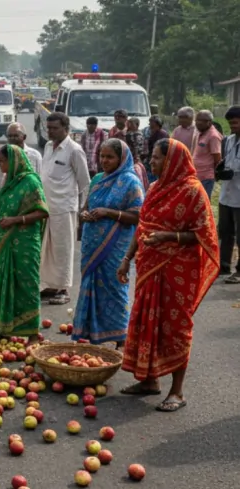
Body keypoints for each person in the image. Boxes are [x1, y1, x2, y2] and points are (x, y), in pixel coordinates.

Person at [118, 138, 219, 412]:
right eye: (152, 156)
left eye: (157, 157)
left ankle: (177, 391)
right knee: (146, 320)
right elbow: (142, 226)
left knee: (175, 326)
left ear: (172, 160)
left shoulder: (193, 191)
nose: (151, 161)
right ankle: (149, 380)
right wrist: (126, 259)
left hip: (179, 269)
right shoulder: (154, 187)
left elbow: (204, 235)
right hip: (149, 266)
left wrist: (168, 237)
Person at [72, 139, 144, 348]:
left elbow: (139, 215)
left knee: (114, 288)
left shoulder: (130, 181)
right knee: (92, 286)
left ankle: (121, 338)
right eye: (102, 156)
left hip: (115, 246)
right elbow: (86, 206)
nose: (104, 161)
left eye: (110, 157)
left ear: (121, 158)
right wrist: (84, 215)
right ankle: (93, 334)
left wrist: (108, 213)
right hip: (92, 245)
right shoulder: (97, 179)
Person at [0, 145, 49, 343]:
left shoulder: (31, 181)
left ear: (14, 161)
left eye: (3, 161)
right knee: (6, 281)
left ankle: (32, 333)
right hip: (7, 240)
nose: (0, 165)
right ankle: (4, 327)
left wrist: (15, 221)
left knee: (27, 283)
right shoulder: (10, 181)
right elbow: (9, 207)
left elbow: (42, 211)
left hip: (25, 242)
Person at [40, 112, 91, 305]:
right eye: (49, 128)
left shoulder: (74, 150)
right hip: (46, 207)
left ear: (66, 128)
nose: (50, 131)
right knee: (48, 249)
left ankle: (64, 289)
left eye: (55, 128)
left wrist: (83, 209)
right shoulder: (48, 146)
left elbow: (85, 183)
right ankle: (52, 285)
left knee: (63, 249)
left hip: (64, 208)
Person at [218, 106, 240, 283]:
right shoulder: (228, 140)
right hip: (226, 194)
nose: (232, 126)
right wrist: (220, 170)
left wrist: (233, 172)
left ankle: (239, 271)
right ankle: (223, 265)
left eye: (235, 123)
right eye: (230, 123)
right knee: (225, 232)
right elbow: (226, 161)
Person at [0, 122, 42, 187]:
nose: (12, 138)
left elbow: (38, 179)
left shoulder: (35, 155)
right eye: (10, 136)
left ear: (24, 137)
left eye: (16, 136)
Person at [191, 109, 223, 198]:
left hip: (206, 177)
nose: (198, 123)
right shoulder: (200, 133)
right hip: (197, 174)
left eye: (201, 121)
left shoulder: (213, 136)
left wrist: (215, 174)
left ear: (209, 122)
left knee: (203, 201)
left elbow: (217, 158)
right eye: (197, 120)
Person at [124, 118, 150, 190]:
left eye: (131, 123)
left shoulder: (137, 135)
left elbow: (138, 149)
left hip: (136, 160)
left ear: (137, 125)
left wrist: (136, 158)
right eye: (128, 123)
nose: (129, 125)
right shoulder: (128, 133)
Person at [145, 116, 169, 182]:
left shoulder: (162, 134)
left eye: (151, 122)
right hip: (151, 160)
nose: (150, 124)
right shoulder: (151, 132)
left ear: (157, 123)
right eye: (150, 122)